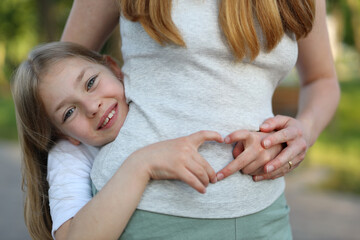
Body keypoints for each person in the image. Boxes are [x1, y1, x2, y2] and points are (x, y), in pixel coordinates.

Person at [62, 0, 339, 239]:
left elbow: (321, 81)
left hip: (263, 217)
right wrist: (67, 206)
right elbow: (56, 82)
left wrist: (301, 131)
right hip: (142, 216)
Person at [12, 41, 225, 240]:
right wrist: (141, 164)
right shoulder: (69, 154)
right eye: (69, 112)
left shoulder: (154, 94)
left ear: (114, 69)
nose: (92, 107)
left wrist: (257, 138)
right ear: (63, 135)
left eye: (91, 83)